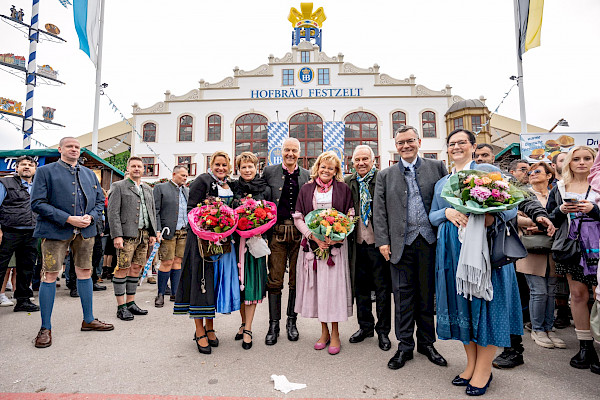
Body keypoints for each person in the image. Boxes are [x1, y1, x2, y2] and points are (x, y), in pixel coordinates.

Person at [429, 129, 523, 396]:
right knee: (463, 308)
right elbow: (432, 216)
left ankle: (484, 370)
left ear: (472, 146)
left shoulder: (487, 172)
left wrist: (489, 217)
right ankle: (471, 364)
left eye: (462, 142)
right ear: (447, 149)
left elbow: (512, 207)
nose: (456, 147)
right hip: (452, 251)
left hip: (486, 252)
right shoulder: (442, 182)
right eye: (451, 144)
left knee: (486, 307)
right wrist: (447, 211)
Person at [374, 126, 448, 369]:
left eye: (409, 141)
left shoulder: (436, 168)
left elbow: (446, 200)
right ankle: (404, 345)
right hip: (399, 245)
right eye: (400, 143)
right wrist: (383, 241)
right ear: (395, 147)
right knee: (403, 297)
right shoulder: (385, 175)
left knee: (427, 296)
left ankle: (426, 343)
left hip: (429, 241)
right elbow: (380, 211)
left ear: (419, 141)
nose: (405, 146)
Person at [31, 137, 114, 348]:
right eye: (70, 146)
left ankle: (88, 320)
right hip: (55, 230)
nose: (74, 149)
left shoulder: (88, 173)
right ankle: (45, 327)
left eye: (77, 147)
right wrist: (67, 218)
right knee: (49, 275)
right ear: (60, 149)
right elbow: (37, 203)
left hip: (85, 231)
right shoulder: (45, 171)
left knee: (85, 272)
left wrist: (91, 217)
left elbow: (98, 202)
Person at [174, 151, 240, 354]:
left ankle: (210, 327)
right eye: (217, 164)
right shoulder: (202, 180)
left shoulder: (229, 183)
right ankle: (199, 330)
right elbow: (191, 209)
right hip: (202, 243)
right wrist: (208, 227)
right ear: (211, 164)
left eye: (224, 164)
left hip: (223, 243)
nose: (221, 168)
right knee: (200, 284)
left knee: (212, 284)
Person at [293, 151, 354, 355]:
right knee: (319, 290)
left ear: (336, 171)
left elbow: (349, 216)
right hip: (313, 246)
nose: (326, 170)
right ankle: (324, 331)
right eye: (323, 166)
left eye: (331, 167)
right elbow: (299, 217)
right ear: (317, 167)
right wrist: (313, 236)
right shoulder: (307, 188)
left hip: (335, 248)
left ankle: (336, 333)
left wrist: (337, 236)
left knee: (334, 291)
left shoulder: (343, 189)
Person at [547, 145, 600, 374]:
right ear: (568, 162)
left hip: (597, 247)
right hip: (571, 246)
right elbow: (550, 219)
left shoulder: (597, 184)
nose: (581, 162)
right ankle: (585, 347)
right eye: (576, 158)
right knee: (578, 295)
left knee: (598, 297)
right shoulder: (559, 187)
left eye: (587, 158)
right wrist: (561, 209)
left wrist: (594, 209)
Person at [262, 137, 311, 345]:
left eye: (294, 150)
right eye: (286, 150)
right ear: (281, 151)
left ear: (299, 153)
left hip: (299, 234)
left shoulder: (307, 175)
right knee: (274, 280)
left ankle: (292, 322)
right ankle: (274, 325)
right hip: (277, 233)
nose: (290, 154)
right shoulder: (269, 171)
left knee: (296, 281)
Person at [345, 145, 392, 351]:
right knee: (360, 288)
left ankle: (383, 331)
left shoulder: (382, 179)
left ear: (374, 161)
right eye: (357, 160)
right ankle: (365, 327)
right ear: (352, 162)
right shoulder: (348, 182)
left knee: (382, 289)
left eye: (365, 159)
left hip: (379, 244)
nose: (361, 163)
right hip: (356, 244)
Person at [515, 163, 565, 349]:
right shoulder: (524, 194)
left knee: (551, 290)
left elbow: (562, 218)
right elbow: (515, 218)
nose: (532, 174)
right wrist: (538, 221)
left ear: (549, 176)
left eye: (537, 171)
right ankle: (537, 329)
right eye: (530, 172)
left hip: (551, 247)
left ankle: (548, 328)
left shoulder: (555, 194)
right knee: (538, 291)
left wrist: (551, 224)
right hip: (531, 248)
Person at [108, 156, 158, 321]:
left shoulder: (148, 188)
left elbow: (152, 212)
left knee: (136, 268)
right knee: (122, 268)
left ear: (144, 169)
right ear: (128, 168)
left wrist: (152, 233)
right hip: (127, 235)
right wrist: (117, 235)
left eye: (139, 166)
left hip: (144, 235)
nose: (137, 169)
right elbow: (113, 212)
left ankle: (131, 303)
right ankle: (121, 306)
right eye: (134, 166)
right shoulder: (118, 186)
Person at [231, 152, 272, 350]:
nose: (247, 170)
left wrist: (259, 229)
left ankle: (248, 328)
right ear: (238, 169)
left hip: (255, 243)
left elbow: (271, 215)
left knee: (252, 285)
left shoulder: (265, 189)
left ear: (257, 168)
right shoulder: (232, 187)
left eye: (250, 167)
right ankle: (242, 322)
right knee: (240, 286)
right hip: (235, 242)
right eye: (243, 167)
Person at [0, 155, 40, 312]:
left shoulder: (38, 185)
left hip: (31, 232)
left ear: (35, 169)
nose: (27, 167)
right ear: (16, 168)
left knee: (26, 268)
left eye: (30, 165)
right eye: (23, 164)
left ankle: (23, 300)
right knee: (1, 266)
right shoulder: (5, 183)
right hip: (9, 231)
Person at [153, 165, 189, 307]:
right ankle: (161, 294)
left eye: (186, 176)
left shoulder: (187, 190)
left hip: (183, 231)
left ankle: (175, 293)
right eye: (182, 175)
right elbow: (155, 210)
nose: (185, 178)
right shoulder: (160, 188)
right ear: (174, 174)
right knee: (167, 262)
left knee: (178, 261)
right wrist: (157, 230)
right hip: (167, 231)